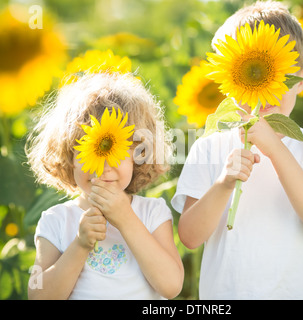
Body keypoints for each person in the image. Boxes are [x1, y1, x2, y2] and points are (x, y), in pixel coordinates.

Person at [172, 0, 303, 300]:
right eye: (249, 72)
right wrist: (224, 183)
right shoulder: (210, 147)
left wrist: (275, 150)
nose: (264, 87)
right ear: (229, 81)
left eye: (279, 76)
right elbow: (189, 237)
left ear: (301, 80)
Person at [26, 72, 184, 299]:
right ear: (69, 156)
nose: (104, 166)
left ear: (139, 154)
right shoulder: (56, 220)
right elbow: (37, 294)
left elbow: (171, 286)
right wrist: (80, 245)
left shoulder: (152, 213)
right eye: (90, 150)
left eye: (115, 149)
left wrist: (126, 219)